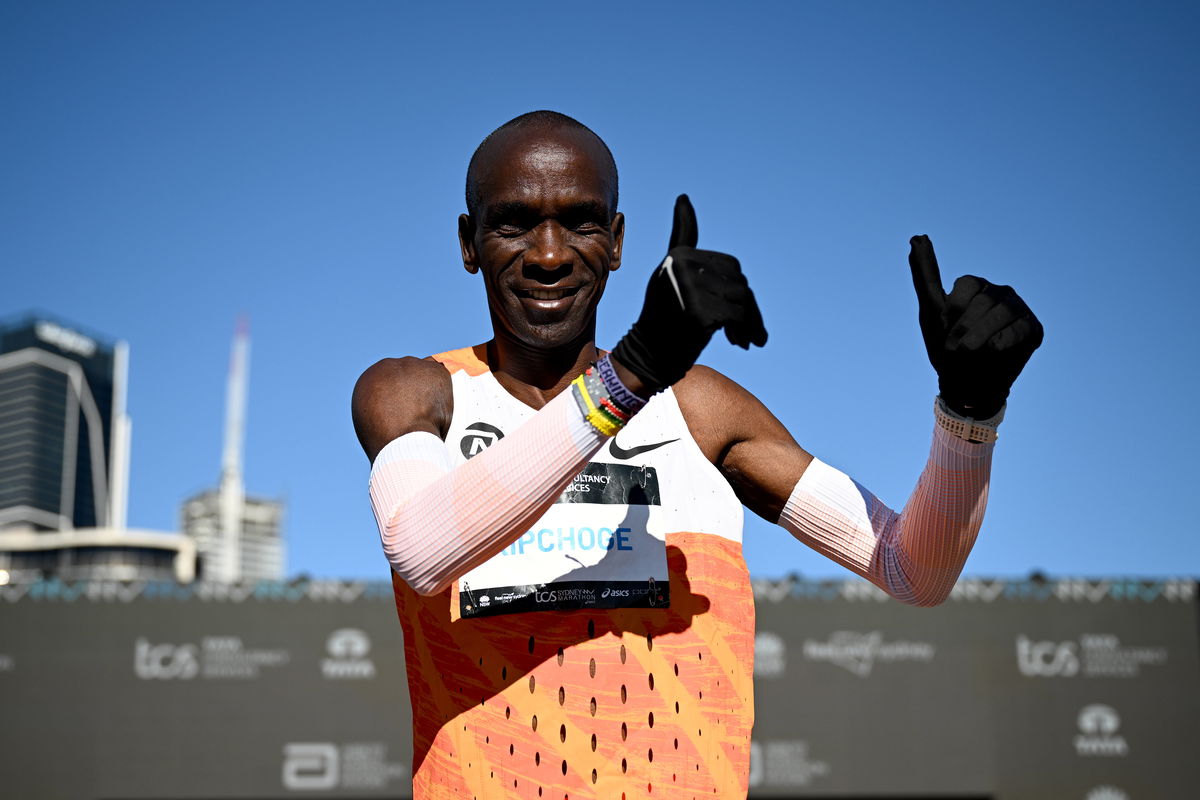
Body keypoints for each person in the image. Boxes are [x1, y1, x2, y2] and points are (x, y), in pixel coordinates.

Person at [352, 110, 1042, 799]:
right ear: (468, 243)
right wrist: (632, 372)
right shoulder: (413, 393)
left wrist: (968, 416)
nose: (550, 253)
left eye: (582, 221)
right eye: (513, 222)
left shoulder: (698, 409)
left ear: (618, 242)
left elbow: (912, 569)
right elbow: (422, 549)